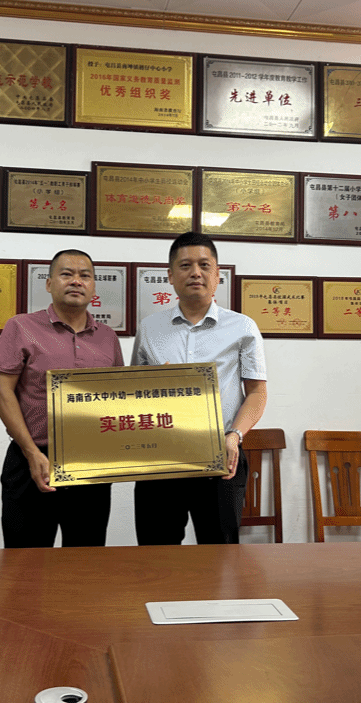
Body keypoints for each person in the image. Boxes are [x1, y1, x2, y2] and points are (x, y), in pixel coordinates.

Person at [131, 231, 267, 544]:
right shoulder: (149, 328)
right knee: (156, 554)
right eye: (185, 265)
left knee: (220, 553)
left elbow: (257, 393)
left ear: (218, 274)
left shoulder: (243, 327)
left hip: (221, 455)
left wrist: (235, 436)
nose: (195, 273)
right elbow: (135, 393)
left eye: (204, 265)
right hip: (160, 458)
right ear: (170, 276)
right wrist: (155, 386)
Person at [0, 249, 124, 548]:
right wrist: (32, 453)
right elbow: (0, 394)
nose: (76, 281)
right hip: (32, 458)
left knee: (85, 559)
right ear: (49, 283)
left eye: (85, 275)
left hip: (91, 463)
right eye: (66, 274)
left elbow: (115, 399)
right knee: (26, 561)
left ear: (93, 287)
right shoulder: (21, 327)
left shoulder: (108, 337)